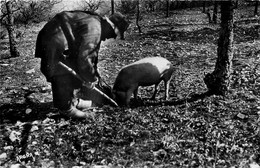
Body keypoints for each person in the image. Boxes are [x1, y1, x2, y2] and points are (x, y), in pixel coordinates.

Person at [35, 11, 129, 119]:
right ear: (110, 27)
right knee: (62, 72)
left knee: (73, 71)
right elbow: (85, 58)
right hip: (56, 42)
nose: (108, 38)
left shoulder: (95, 22)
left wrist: (93, 75)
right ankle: (66, 109)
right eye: (112, 34)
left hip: (55, 39)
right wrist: (91, 79)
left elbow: (88, 56)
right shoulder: (95, 29)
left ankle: (73, 102)